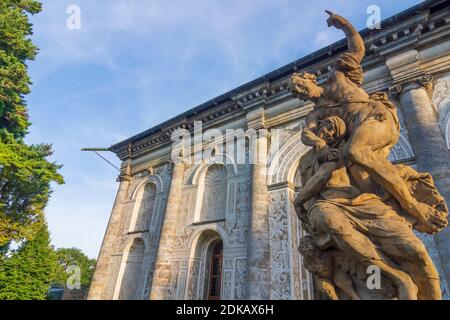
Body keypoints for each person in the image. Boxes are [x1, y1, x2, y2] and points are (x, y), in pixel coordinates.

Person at [290, 11, 448, 235]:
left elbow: (357, 49)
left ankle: (413, 206)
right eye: (295, 92)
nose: (298, 91)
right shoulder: (315, 114)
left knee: (356, 150)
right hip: (359, 133)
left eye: (298, 84)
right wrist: (320, 144)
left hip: (376, 118)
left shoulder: (337, 77)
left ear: (309, 79)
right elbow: (307, 134)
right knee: (357, 179)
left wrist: (344, 25)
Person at [295, 116, 442, 299]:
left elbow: (323, 176)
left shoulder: (340, 151)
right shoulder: (307, 160)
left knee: (415, 249)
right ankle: (397, 277)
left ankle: (429, 291)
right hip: (330, 205)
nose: (329, 133)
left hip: (364, 203)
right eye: (327, 127)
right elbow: (319, 178)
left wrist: (297, 201)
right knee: (330, 221)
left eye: (334, 131)